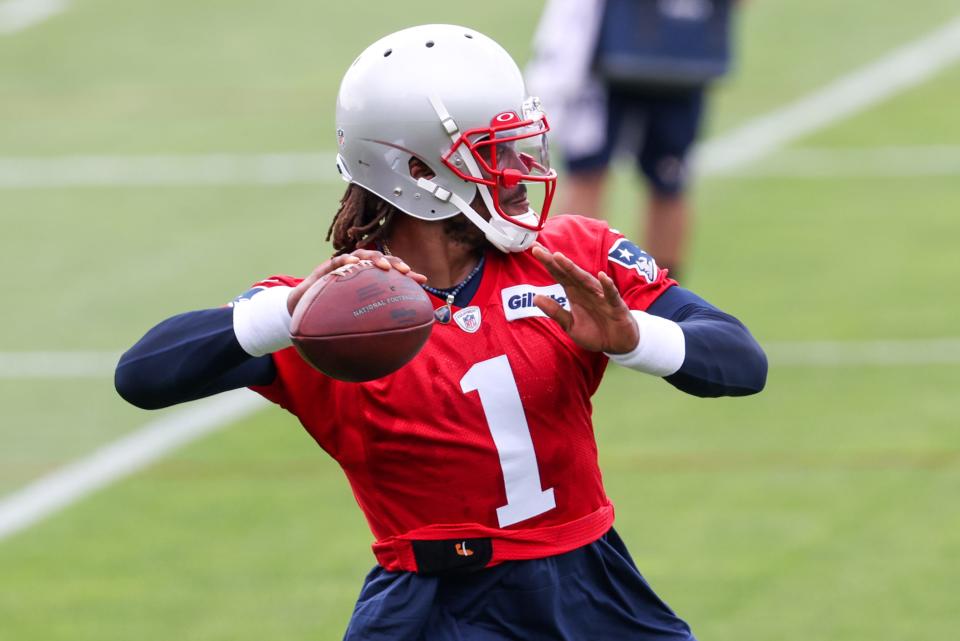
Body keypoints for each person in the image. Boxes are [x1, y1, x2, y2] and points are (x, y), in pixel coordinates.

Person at [115, 24, 766, 641]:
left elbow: (741, 360)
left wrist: (634, 339)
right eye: (493, 153)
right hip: (433, 606)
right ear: (418, 172)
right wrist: (286, 315)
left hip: (590, 582)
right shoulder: (335, 316)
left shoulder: (569, 257)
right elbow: (142, 374)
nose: (520, 170)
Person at [526, 0, 739, 279]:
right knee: (601, 173)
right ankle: (574, 287)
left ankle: (654, 297)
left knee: (665, 180)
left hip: (663, 54)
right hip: (611, 48)